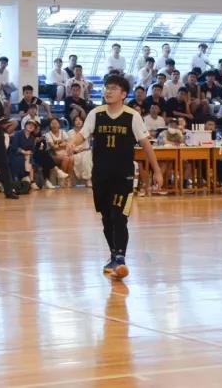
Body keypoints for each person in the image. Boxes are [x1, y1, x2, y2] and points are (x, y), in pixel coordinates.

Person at [68, 75, 162, 280]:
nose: (108, 91)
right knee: (106, 218)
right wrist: (72, 142)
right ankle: (114, 256)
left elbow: (146, 145)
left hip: (124, 176)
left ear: (123, 94)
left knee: (120, 217)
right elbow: (83, 134)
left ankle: (120, 258)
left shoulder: (132, 116)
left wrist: (157, 170)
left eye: (113, 88)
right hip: (101, 176)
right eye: (106, 88)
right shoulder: (96, 114)